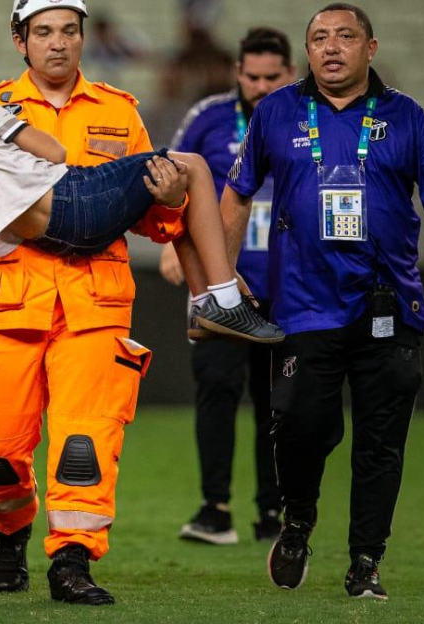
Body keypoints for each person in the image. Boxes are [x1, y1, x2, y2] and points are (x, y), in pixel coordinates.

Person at [0, 0, 246, 606]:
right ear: (20, 41)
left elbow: (153, 216)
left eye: (69, 30)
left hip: (95, 307)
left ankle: (72, 560)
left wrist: (172, 202)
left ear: (84, 37)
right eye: (43, 32)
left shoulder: (120, 112)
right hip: (9, 306)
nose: (58, 44)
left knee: (84, 445)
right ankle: (9, 534)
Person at [222, 4, 424, 600]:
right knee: (301, 424)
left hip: (389, 304)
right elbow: (235, 194)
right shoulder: (276, 111)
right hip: (303, 305)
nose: (331, 48)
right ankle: (298, 521)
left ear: (371, 47)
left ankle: (365, 560)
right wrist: (222, 277)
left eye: (345, 37)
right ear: (307, 51)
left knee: (380, 440)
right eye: (318, 38)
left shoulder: (405, 115)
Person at [0, 90, 282, 342]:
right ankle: (224, 299)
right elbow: (54, 153)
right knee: (191, 166)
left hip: (54, 238)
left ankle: (204, 307)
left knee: (176, 182)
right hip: (76, 198)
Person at [160, 27, 297, 546]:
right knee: (215, 392)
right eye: (253, 76)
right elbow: (170, 182)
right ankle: (214, 509)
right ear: (238, 73)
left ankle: (273, 513)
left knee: (278, 404)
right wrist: (178, 251)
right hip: (218, 290)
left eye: (272, 77)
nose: (261, 86)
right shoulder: (208, 117)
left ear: (290, 74)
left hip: (287, 289)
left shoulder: (308, 119)